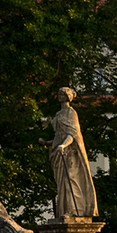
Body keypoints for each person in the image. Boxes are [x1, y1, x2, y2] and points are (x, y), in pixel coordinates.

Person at [48, 87, 97, 219]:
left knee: (69, 180)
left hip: (69, 152)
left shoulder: (71, 113)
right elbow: (59, 136)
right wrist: (48, 143)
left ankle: (72, 211)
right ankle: (63, 211)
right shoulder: (58, 114)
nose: (59, 96)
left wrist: (63, 145)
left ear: (68, 97)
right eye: (58, 93)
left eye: (62, 94)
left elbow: (72, 134)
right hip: (58, 152)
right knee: (61, 184)